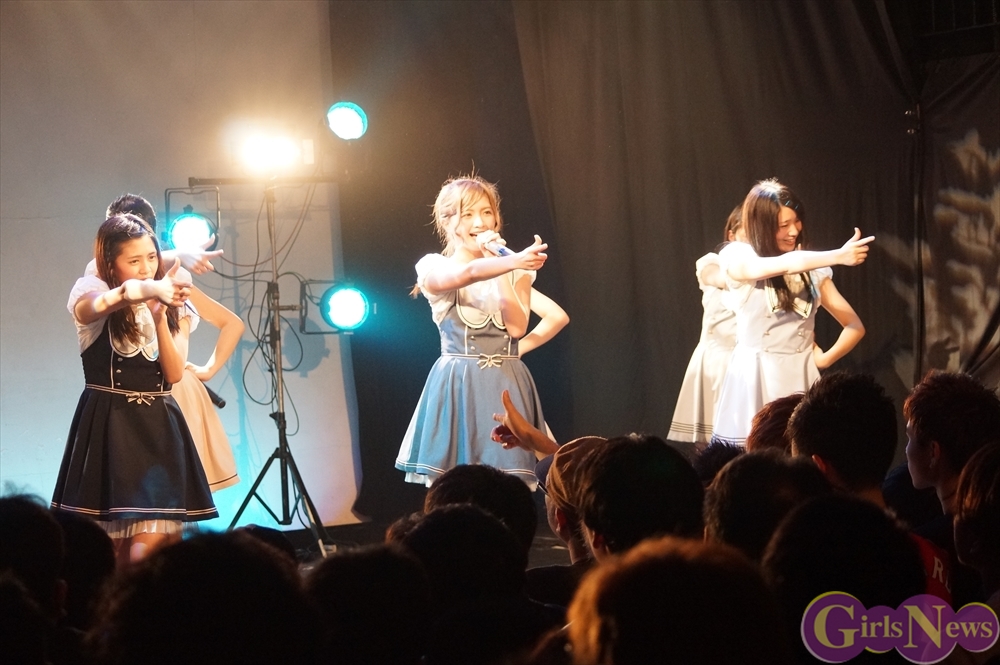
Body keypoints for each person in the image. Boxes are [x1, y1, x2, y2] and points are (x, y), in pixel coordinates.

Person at [51, 214, 217, 566]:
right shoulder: (92, 294)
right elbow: (116, 297)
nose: (146, 268)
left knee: (155, 547)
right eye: (134, 261)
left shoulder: (172, 300)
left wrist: (159, 315)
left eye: (152, 257)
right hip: (109, 426)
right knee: (103, 551)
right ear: (110, 264)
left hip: (160, 428)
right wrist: (152, 289)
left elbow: (173, 373)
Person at [396, 175, 554, 487]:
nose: (479, 222)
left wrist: (506, 266)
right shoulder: (433, 266)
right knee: (457, 482)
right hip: (459, 384)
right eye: (467, 214)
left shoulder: (513, 269)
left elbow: (517, 328)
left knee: (509, 481)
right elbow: (467, 273)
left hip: (505, 383)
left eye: (486, 212)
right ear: (447, 221)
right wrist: (512, 261)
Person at [712, 179, 872, 444]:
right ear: (762, 225)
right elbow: (787, 264)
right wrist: (839, 255)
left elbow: (854, 326)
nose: (794, 231)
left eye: (796, 222)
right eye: (783, 225)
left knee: (799, 450)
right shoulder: (738, 257)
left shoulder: (814, 271)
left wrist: (824, 359)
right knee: (754, 450)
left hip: (800, 375)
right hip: (754, 378)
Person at [102, 194, 243, 492]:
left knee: (172, 500)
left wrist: (207, 370)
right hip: (142, 399)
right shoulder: (110, 285)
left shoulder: (176, 283)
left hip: (170, 396)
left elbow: (231, 325)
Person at [667, 205, 742, 449]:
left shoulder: (768, 272)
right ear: (731, 234)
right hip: (716, 361)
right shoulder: (712, 262)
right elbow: (720, 279)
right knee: (710, 444)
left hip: (748, 362)